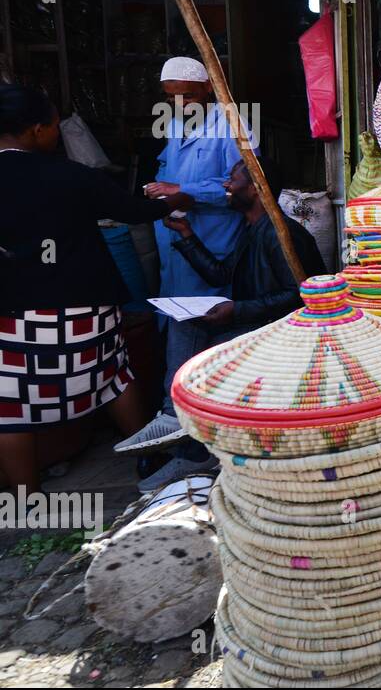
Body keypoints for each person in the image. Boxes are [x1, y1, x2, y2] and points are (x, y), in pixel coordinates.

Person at [0, 85, 185, 491]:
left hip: (13, 314)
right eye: (52, 125)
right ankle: (148, 460)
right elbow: (135, 211)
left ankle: (25, 500)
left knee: (10, 408)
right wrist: (175, 199)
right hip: (86, 307)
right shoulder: (72, 175)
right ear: (35, 130)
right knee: (113, 376)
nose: (57, 133)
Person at [133, 158, 324, 493]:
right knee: (184, 325)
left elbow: (300, 295)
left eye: (233, 180)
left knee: (207, 358)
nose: (226, 186)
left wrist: (236, 310)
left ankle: (194, 451)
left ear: (255, 188)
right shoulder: (253, 228)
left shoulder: (282, 233)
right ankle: (174, 417)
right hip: (254, 322)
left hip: (278, 330)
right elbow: (222, 276)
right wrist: (187, 235)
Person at [118, 56, 250, 460]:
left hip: (211, 241)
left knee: (204, 336)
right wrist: (160, 191)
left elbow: (244, 185)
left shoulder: (233, 123)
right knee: (177, 327)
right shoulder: (175, 124)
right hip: (176, 241)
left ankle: (199, 434)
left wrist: (183, 189)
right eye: (172, 96)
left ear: (208, 88)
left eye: (188, 95)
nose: (180, 102)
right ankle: (179, 427)